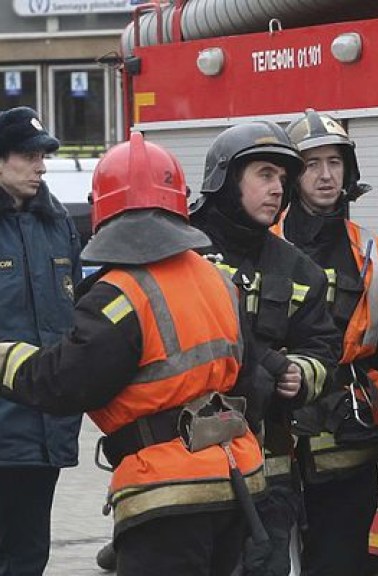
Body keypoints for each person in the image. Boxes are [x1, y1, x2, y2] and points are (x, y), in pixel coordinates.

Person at [0, 132, 273, 576]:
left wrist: (6, 359)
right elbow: (251, 382)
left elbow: (63, 382)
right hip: (235, 483)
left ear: (104, 209)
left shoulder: (119, 296)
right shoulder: (218, 281)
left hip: (167, 494)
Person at [271, 109, 378, 576]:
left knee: (341, 565)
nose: (325, 175)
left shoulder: (373, 256)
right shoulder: (262, 245)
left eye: (334, 163)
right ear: (292, 174)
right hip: (273, 445)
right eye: (312, 163)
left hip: (349, 447)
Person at [189, 120, 340, 575]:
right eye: (264, 175)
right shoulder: (183, 253)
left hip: (267, 469)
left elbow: (324, 349)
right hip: (188, 464)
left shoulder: (299, 270)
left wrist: (301, 372)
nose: (278, 189)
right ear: (225, 178)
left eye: (282, 179)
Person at [0, 106, 83, 576]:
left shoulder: (58, 225)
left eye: (44, 155)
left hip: (44, 432)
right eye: (29, 155)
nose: (41, 166)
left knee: (30, 557)